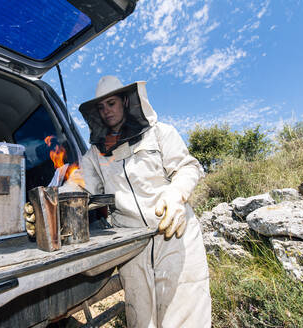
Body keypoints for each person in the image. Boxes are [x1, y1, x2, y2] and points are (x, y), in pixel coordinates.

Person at [27, 76, 211, 327]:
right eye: (101, 108)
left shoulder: (160, 133)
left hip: (175, 237)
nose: (106, 111)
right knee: (141, 320)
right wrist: (50, 204)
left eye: (111, 104)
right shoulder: (95, 154)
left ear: (126, 101)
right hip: (132, 246)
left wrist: (176, 194)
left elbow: (188, 167)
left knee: (183, 317)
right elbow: (81, 186)